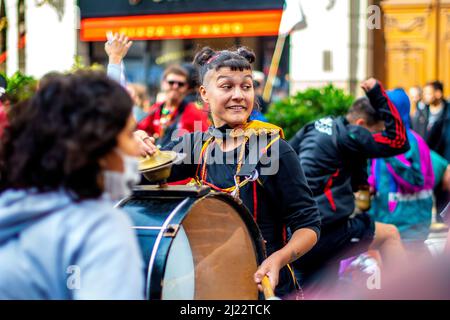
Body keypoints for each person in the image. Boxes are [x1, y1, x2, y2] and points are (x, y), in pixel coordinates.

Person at [140, 46, 321, 298]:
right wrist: (137, 145)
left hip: (261, 289)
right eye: (227, 87)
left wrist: (278, 259)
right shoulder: (195, 145)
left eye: (246, 87)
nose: (239, 95)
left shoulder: (273, 150)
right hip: (209, 287)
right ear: (204, 93)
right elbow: (138, 177)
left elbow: (309, 225)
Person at [0, 71, 144, 299]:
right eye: (129, 135)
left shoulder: (11, 206)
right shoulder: (99, 227)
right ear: (97, 144)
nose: (137, 149)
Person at [289, 78, 410, 288]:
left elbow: (288, 160)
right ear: (362, 125)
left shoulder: (318, 126)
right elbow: (399, 140)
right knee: (389, 234)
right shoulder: (353, 135)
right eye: (376, 133)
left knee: (320, 284)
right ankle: (407, 293)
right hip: (322, 230)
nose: (372, 141)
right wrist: (377, 93)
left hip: (293, 231)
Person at [368, 88, 437, 243]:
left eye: (385, 109)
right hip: (384, 222)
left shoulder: (413, 142)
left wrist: (389, 155)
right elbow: (375, 174)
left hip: (410, 226)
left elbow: (416, 181)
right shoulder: (381, 139)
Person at [412, 81, 450, 216]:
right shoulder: (421, 112)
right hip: (426, 161)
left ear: (438, 94)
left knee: (444, 196)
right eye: (425, 93)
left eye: (429, 93)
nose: (425, 96)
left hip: (445, 162)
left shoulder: (447, 113)